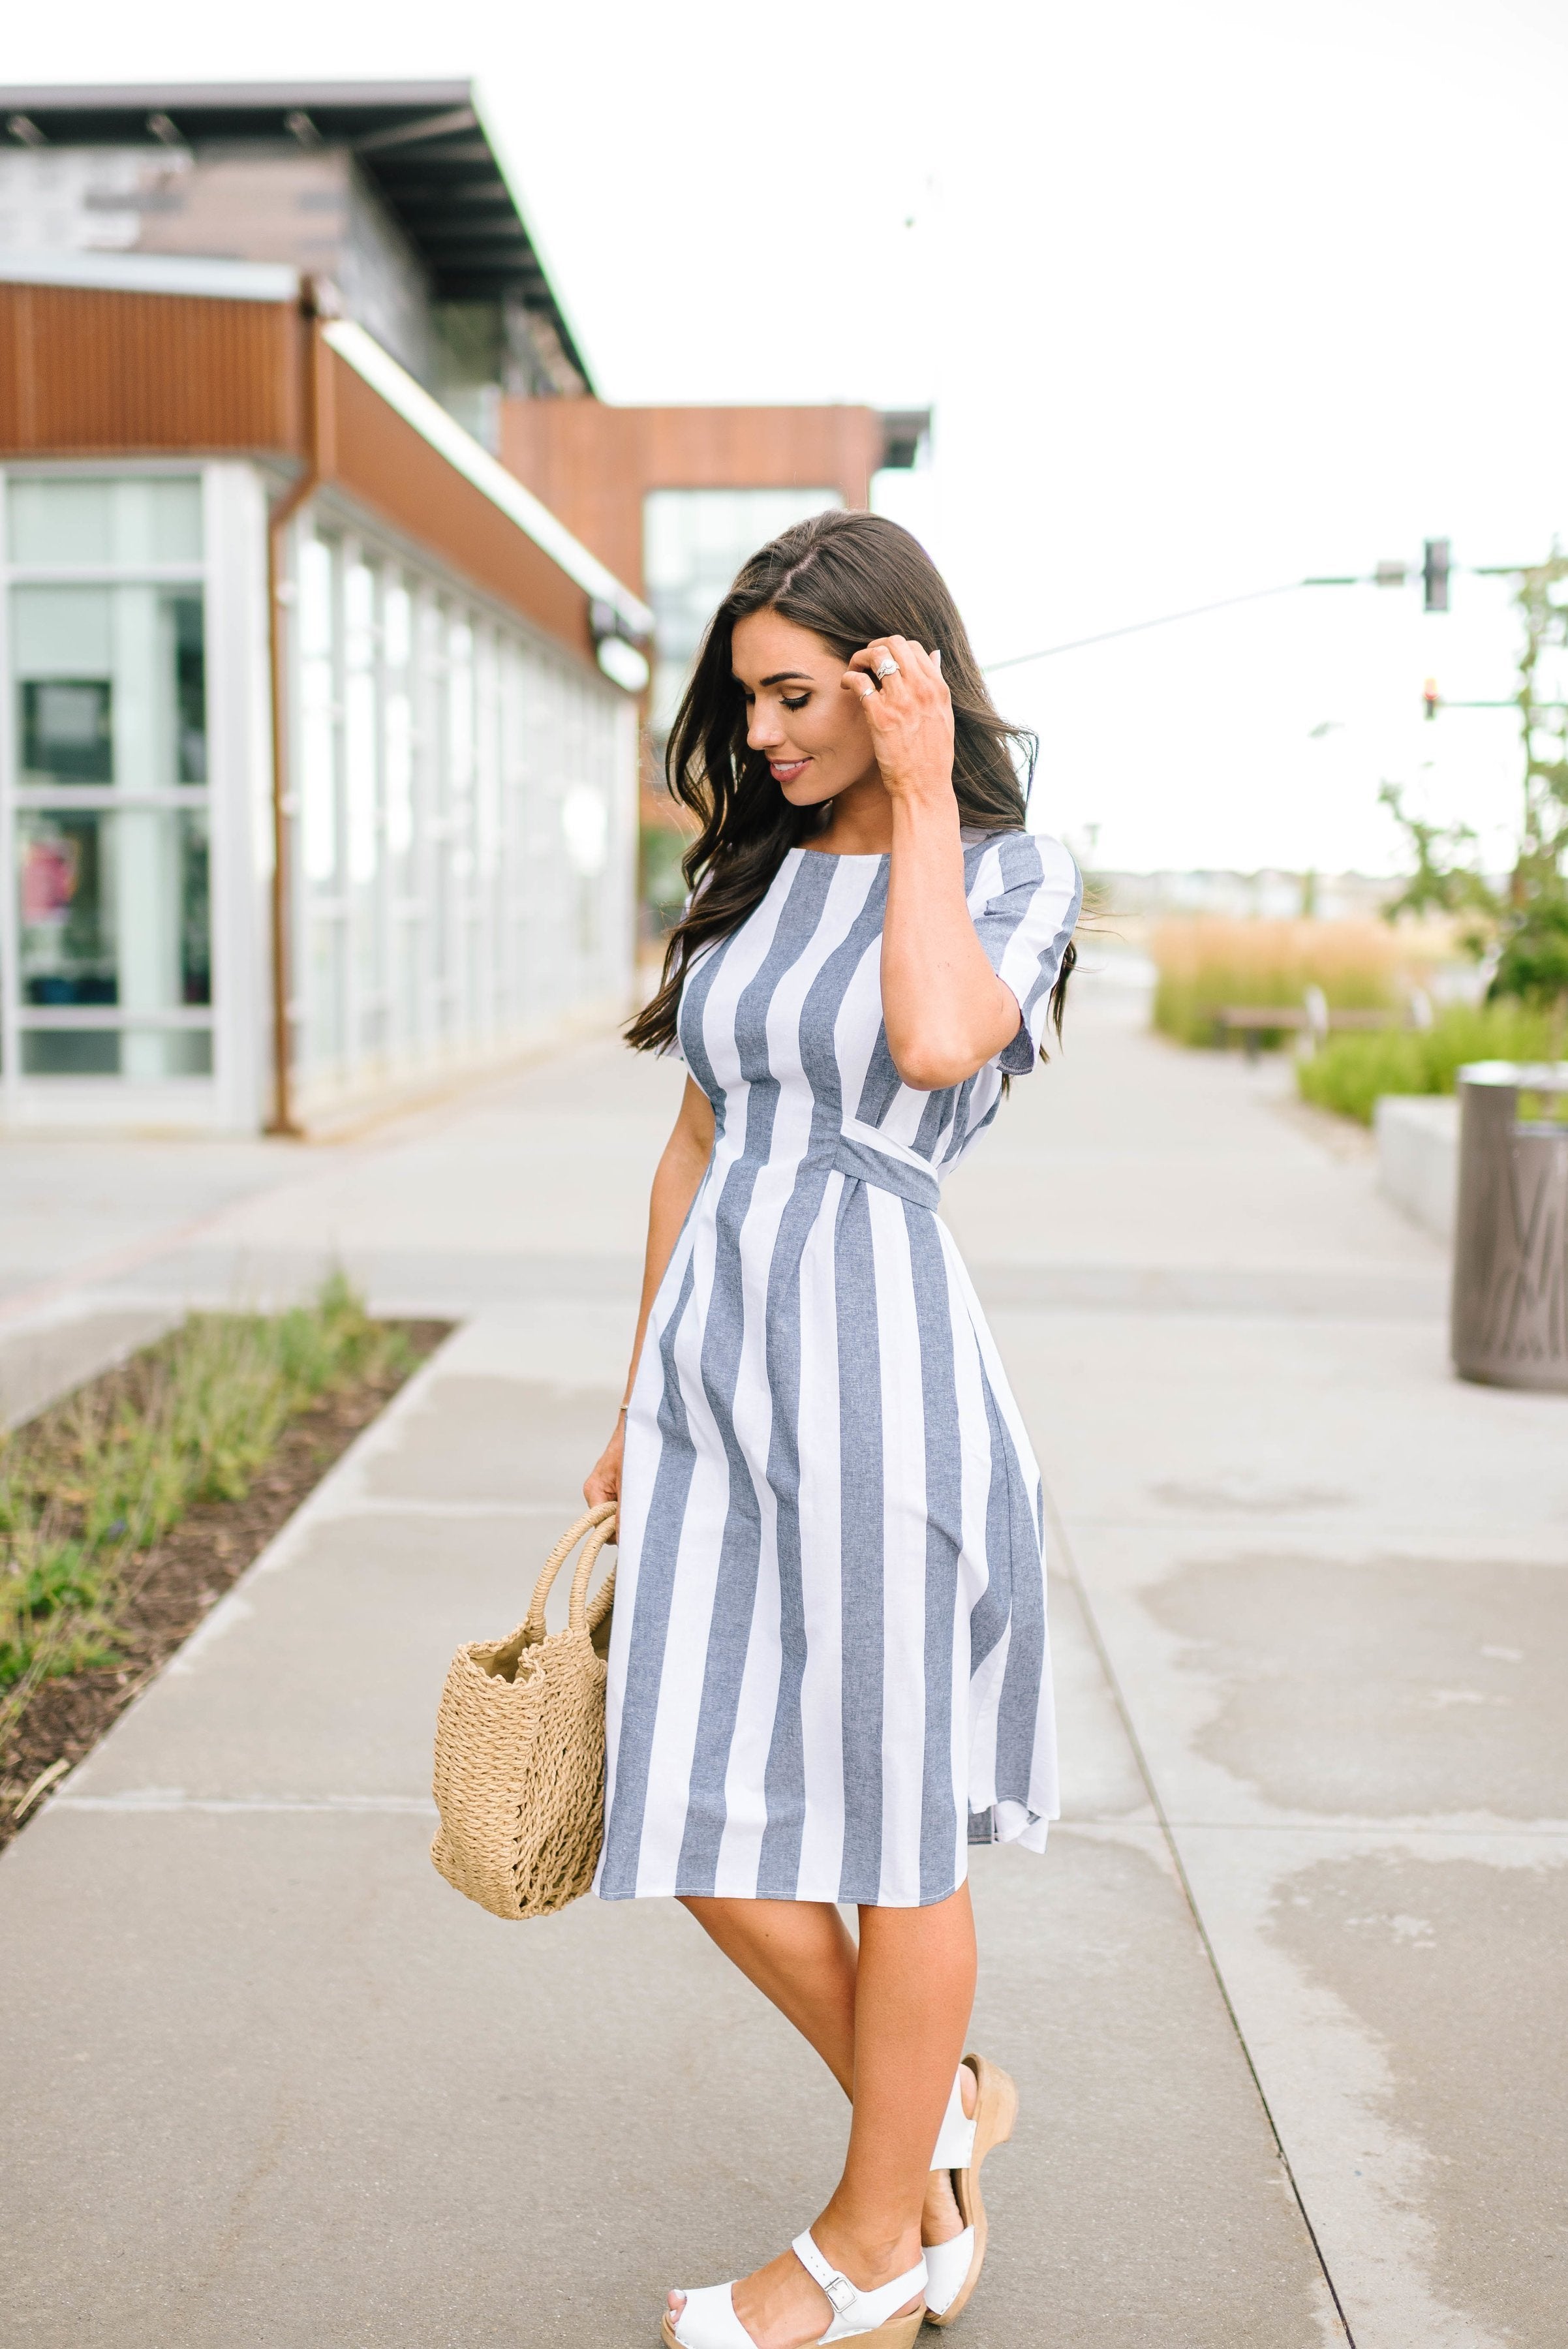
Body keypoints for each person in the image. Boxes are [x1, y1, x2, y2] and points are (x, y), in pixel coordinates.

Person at [583, 509, 1081, 2349]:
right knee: (683, 1795)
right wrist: (635, 1402)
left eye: (798, 695)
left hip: (883, 1373)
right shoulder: (752, 871)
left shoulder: (1012, 878)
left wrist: (932, 798)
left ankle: (875, 2240)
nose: (768, 734)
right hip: (717, 1379)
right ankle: (933, 2104)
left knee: (885, 1827)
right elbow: (695, 1138)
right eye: (750, 702)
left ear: (896, 677)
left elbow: (941, 1042)